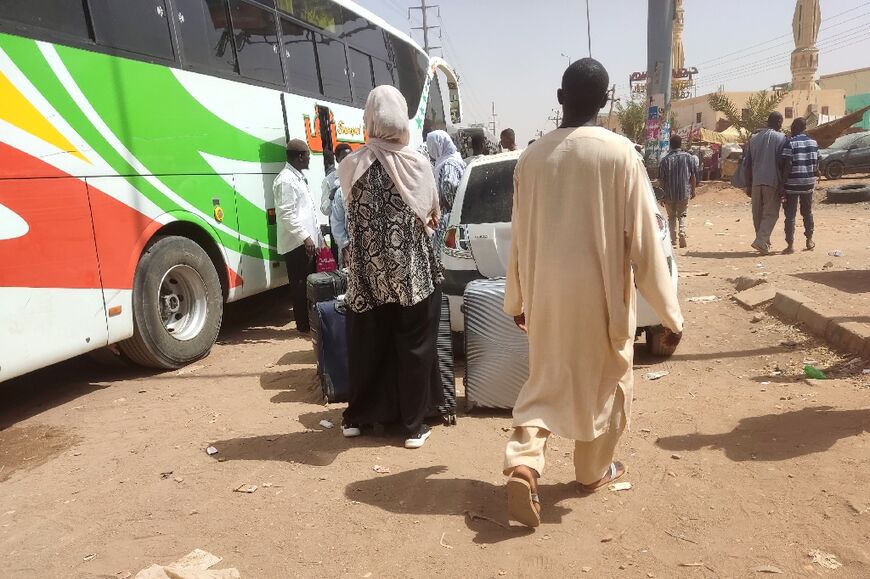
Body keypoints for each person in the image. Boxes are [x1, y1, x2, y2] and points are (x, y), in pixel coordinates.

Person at [502, 58, 684, 528]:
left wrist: (517, 299)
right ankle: (591, 471)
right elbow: (644, 240)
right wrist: (670, 314)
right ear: (606, 102)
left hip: (547, 296)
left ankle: (524, 463)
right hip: (602, 297)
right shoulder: (621, 154)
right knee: (608, 384)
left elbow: (519, 236)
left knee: (545, 383)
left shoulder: (532, 158)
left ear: (560, 98)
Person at [337, 86, 444, 450]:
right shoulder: (417, 164)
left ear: (370, 119)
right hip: (411, 275)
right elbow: (432, 218)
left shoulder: (350, 165)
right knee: (413, 347)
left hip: (367, 276)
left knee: (368, 347)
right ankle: (413, 427)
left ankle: (358, 418)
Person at [273, 139, 320, 333]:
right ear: (300, 157)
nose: (309, 159)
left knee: (307, 284)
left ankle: (308, 322)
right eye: (308, 155)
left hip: (305, 242)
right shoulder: (286, 180)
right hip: (296, 244)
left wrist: (316, 235)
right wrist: (305, 237)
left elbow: (308, 212)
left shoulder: (297, 177)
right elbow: (286, 214)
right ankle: (303, 325)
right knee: (300, 286)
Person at [744, 112, 787, 254]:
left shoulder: (754, 139)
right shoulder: (781, 138)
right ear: (779, 121)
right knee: (771, 213)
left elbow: (748, 164)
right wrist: (783, 183)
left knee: (757, 213)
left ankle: (763, 241)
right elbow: (782, 162)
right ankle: (761, 241)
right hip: (772, 180)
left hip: (756, 181)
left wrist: (748, 184)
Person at [780, 117, 818, 254]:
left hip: (792, 184)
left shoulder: (790, 143)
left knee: (790, 215)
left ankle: (790, 245)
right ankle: (809, 240)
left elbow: (787, 164)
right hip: (808, 183)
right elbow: (816, 161)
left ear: (795, 127)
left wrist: (782, 183)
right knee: (807, 212)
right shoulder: (814, 143)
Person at [427, 130, 467, 255]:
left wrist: (447, 203)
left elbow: (450, 185)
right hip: (455, 215)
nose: (430, 149)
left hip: (449, 218)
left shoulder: (448, 163)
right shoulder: (453, 159)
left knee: (444, 255)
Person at [658, 134, 697, 248]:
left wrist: (662, 195)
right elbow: (693, 176)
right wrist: (693, 191)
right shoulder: (689, 157)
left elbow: (661, 180)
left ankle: (673, 239)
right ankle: (682, 231)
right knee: (682, 214)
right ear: (681, 144)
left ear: (670, 145)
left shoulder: (665, 160)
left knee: (671, 217)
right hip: (684, 191)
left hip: (669, 193)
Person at [320, 144, 354, 261]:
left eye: (350, 157)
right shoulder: (330, 180)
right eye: (344, 158)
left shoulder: (359, 175)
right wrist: (331, 196)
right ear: (337, 160)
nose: (348, 161)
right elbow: (325, 210)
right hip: (340, 233)